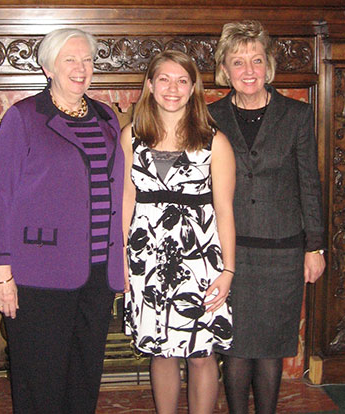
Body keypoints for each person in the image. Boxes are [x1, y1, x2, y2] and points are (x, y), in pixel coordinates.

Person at [0, 28, 124, 414]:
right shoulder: (25, 117)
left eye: (88, 60)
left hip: (96, 273)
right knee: (39, 381)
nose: (81, 68)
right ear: (48, 68)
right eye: (70, 60)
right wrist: (1, 274)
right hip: (39, 273)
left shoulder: (106, 116)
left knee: (84, 376)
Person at [209, 20, 326, 414]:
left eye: (256, 60)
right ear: (224, 69)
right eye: (238, 62)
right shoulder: (209, 116)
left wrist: (316, 247)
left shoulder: (296, 115)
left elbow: (310, 184)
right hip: (229, 252)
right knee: (236, 347)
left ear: (268, 66)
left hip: (282, 252)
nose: (248, 71)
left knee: (272, 347)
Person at [121, 50, 236, 414]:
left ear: (193, 88)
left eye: (182, 80)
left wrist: (228, 270)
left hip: (200, 260)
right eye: (165, 79)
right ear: (151, 86)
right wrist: (119, 262)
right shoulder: (131, 137)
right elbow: (126, 201)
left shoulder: (214, 141)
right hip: (146, 259)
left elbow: (224, 210)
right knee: (161, 351)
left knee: (202, 354)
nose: (173, 88)